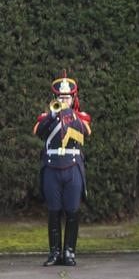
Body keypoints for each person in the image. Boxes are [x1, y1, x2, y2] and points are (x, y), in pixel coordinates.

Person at [33, 70, 92, 267]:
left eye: (66, 97)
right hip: (52, 168)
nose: (63, 99)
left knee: (72, 211)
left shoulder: (79, 117)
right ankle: (55, 253)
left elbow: (84, 133)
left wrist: (68, 114)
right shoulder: (47, 117)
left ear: (73, 97)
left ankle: (69, 252)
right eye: (60, 97)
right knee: (53, 211)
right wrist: (53, 114)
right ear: (55, 98)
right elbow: (39, 132)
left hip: (72, 167)